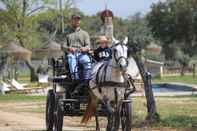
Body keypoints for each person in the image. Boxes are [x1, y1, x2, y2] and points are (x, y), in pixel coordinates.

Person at [62, 14, 92, 81]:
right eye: (75, 19)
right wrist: (69, 48)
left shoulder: (85, 33)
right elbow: (63, 46)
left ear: (80, 21)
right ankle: (75, 79)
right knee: (71, 59)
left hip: (82, 54)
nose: (77, 21)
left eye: (78, 19)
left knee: (86, 60)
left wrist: (85, 48)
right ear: (71, 21)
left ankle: (87, 79)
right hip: (71, 54)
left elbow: (88, 45)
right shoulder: (66, 33)